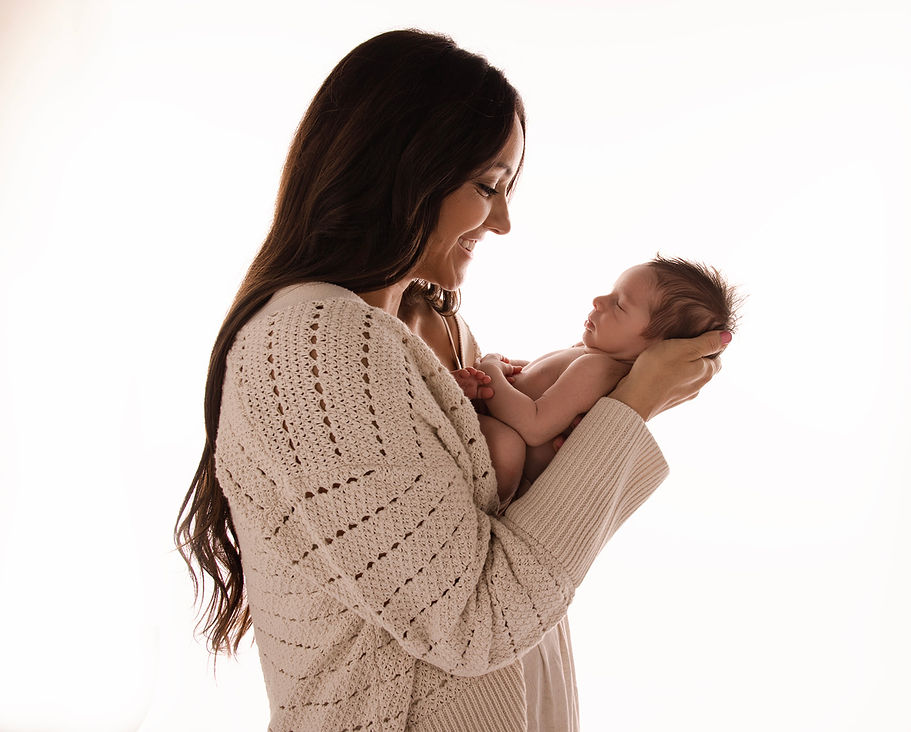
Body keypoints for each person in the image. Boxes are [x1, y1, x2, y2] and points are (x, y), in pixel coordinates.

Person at [175, 29, 729, 732]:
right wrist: (630, 408)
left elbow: (507, 568)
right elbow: (471, 623)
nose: (501, 221)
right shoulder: (316, 345)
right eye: (488, 186)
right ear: (400, 169)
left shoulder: (430, 322)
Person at [461, 257, 737, 502]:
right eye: (610, 292)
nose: (599, 301)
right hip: (496, 418)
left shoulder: (598, 369)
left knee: (506, 446)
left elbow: (534, 425)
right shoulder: (589, 353)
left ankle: (486, 504)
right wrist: (509, 370)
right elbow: (536, 375)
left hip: (512, 470)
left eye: (619, 304)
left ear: (655, 347)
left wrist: (491, 371)